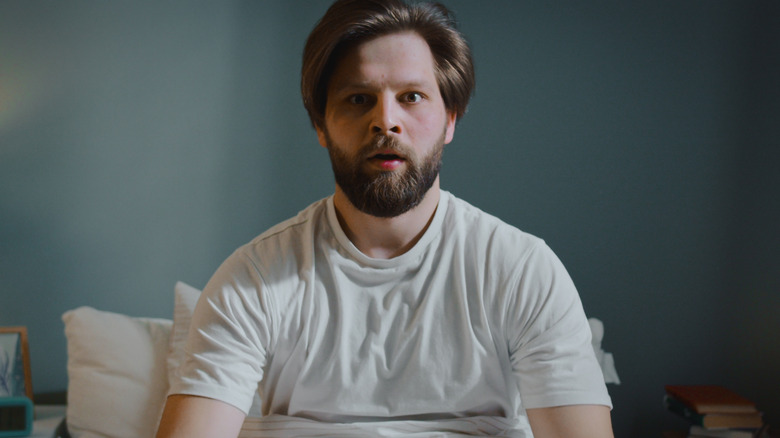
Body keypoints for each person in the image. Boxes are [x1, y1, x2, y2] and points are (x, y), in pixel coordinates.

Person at [157, 0, 614, 436]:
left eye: (411, 96)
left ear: (450, 119)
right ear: (320, 125)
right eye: (358, 99)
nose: (385, 121)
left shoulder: (522, 270)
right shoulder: (253, 279)